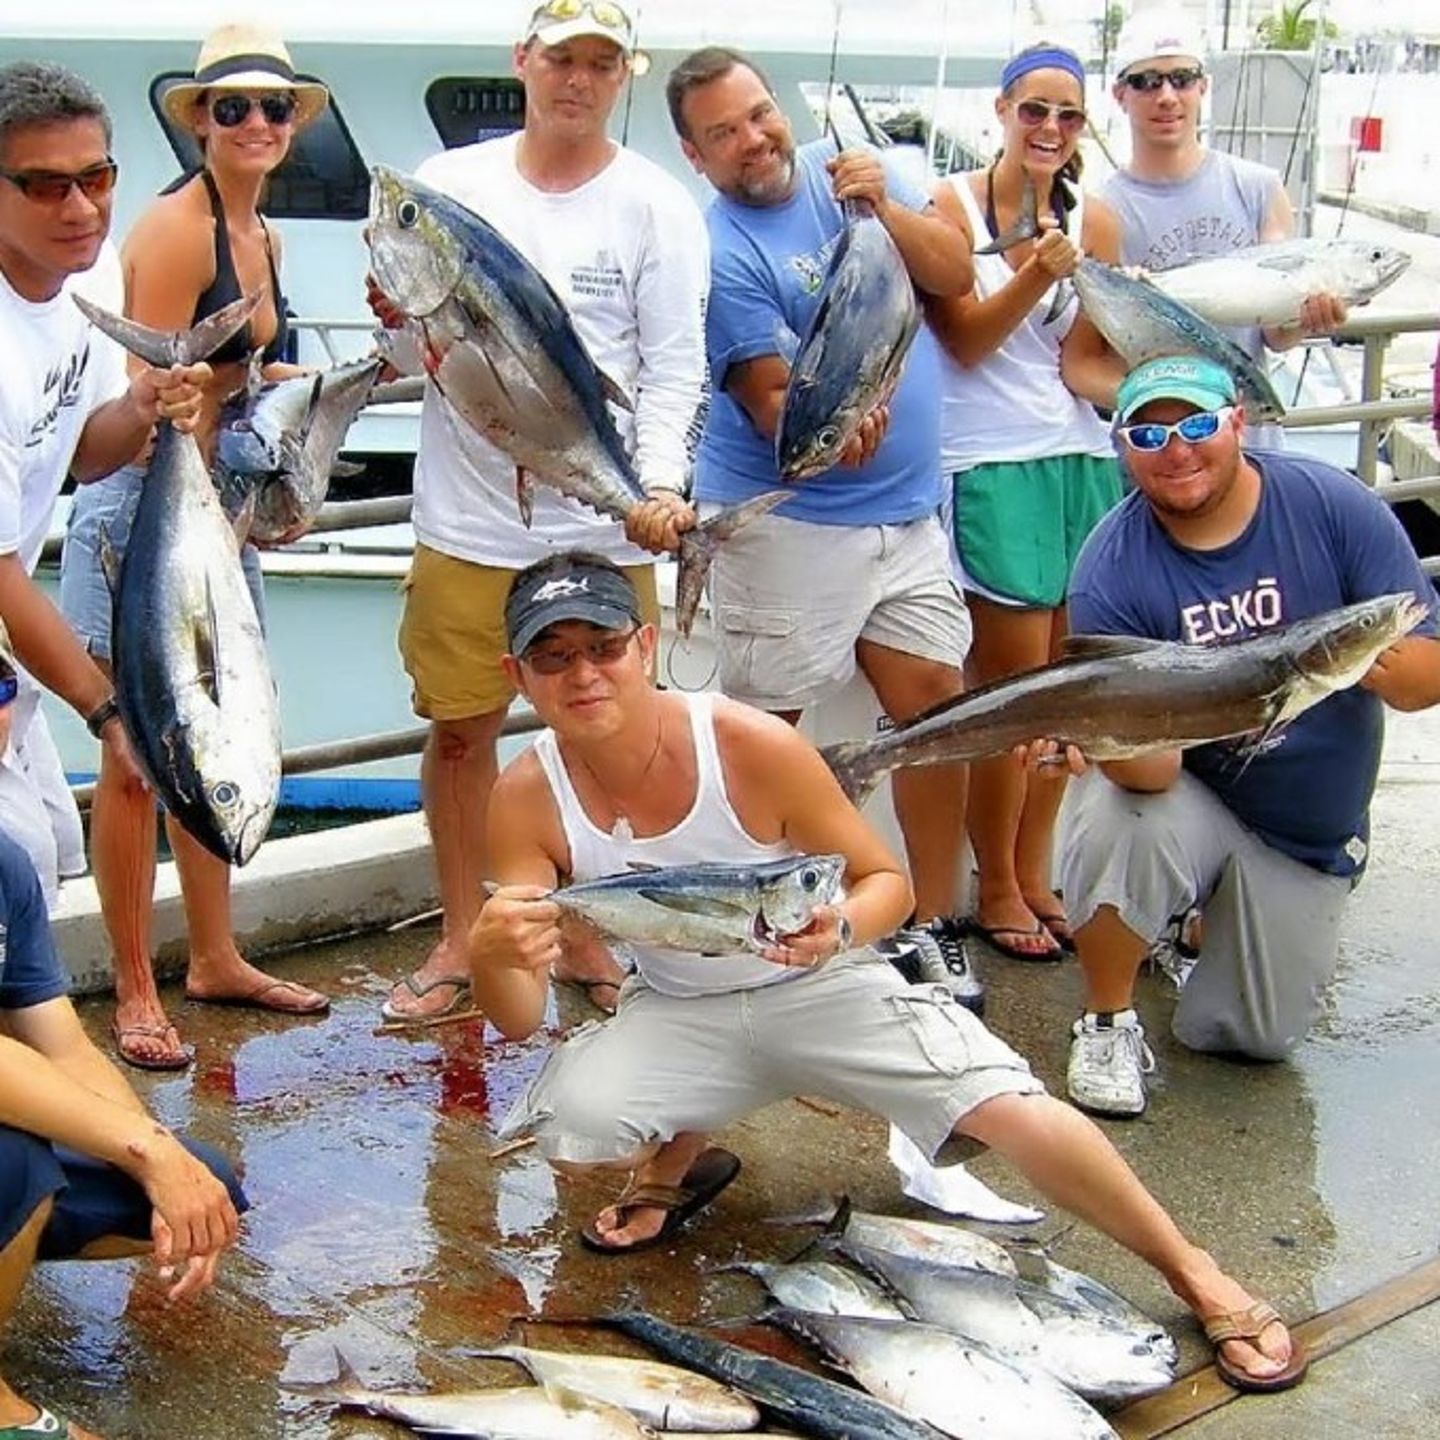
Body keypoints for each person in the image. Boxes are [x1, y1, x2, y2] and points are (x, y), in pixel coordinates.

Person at [470, 549, 1309, 1395]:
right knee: (574, 1127)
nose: (583, 674)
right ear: (519, 675)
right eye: (553, 655)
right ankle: (686, 1140)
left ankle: (1193, 1270)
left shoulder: (746, 743)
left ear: (644, 645)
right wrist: (493, 950)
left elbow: (889, 884)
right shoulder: (526, 794)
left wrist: (836, 931)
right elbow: (513, 1016)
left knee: (1010, 1107)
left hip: (824, 985)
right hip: (681, 1005)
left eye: (603, 646)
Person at [368, 0, 708, 1025]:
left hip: (603, 527)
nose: (579, 78)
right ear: (523, 62)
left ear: (624, 76)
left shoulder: (657, 205)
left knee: (612, 739)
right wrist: (394, 321)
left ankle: (592, 938)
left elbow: (671, 369)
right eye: (563, 58)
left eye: (602, 63)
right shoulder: (451, 193)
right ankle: (461, 937)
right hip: (468, 528)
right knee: (464, 737)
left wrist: (654, 490)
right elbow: (406, 361)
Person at [1037, 355, 1440, 1119]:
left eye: (1195, 425)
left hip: (1306, 829)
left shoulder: (1333, 505)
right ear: (1122, 448)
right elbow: (1151, 777)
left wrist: (1364, 659)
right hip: (1193, 792)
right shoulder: (1110, 569)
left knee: (1250, 1037)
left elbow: (1428, 680)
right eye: (1148, 435)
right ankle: (1107, 1017)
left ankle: (1198, 932)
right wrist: (1101, 747)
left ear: (1237, 424)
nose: (1177, 450)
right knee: (1122, 815)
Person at [664, 46, 982, 1005]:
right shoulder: (719, 252)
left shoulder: (872, 174)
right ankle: (771, 929)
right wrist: (833, 426)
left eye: (759, 114)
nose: (753, 139)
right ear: (695, 154)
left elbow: (955, 274)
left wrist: (885, 203)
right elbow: (773, 405)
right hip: (787, 528)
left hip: (912, 517)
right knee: (775, 737)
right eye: (724, 132)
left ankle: (934, 917)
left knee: (937, 704)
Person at [57, 24, 332, 1072]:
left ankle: (215, 956)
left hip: (215, 516)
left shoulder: (267, 236)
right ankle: (134, 990)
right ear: (203, 122)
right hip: (142, 512)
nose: (255, 124)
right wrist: (181, 397)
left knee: (217, 740)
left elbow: (243, 391)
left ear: (293, 123)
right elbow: (144, 404)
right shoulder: (179, 236)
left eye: (273, 108)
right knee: (134, 759)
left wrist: (273, 491)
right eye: (232, 109)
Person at [0, 620, 247, 1440]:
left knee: (203, 1188)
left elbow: (59, 1042)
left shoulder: (5, 863)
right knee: (14, 1168)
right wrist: (145, 1149)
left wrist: (160, 1158)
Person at [925, 42, 1125, 963]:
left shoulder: (1100, 221)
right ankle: (993, 884)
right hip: (990, 467)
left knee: (1067, 692)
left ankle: (1035, 871)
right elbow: (962, 341)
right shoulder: (951, 208)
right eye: (1034, 110)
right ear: (1002, 111)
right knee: (1007, 695)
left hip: (1082, 462)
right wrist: (1035, 275)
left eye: (1068, 115)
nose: (1049, 129)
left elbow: (1087, 362)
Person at [0, 66, 208, 940]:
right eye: (47, 186)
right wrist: (110, 712)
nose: (81, 207)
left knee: (44, 851)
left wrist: (147, 403)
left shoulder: (92, 289)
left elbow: (85, 451)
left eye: (98, 177)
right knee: (14, 865)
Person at [1102, 5, 1347, 444]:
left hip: (1251, 442)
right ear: (1120, 95)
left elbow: (1276, 335)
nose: (1167, 96)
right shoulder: (1102, 207)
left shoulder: (1259, 187)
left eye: (1182, 78)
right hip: (1158, 447)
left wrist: (1307, 317)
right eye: (1146, 81)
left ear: (1204, 86)